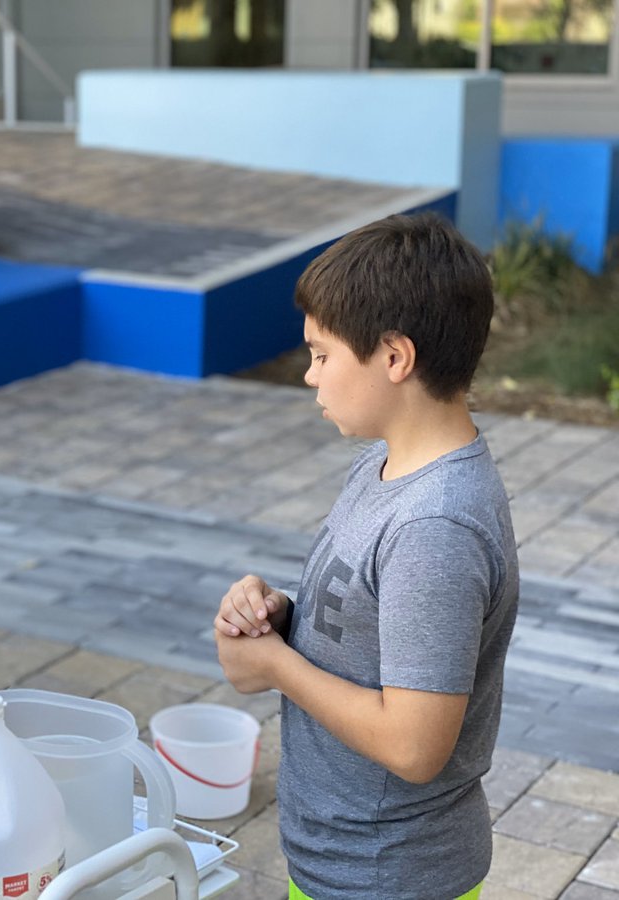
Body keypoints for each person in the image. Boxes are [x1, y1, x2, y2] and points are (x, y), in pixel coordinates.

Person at [213, 212, 519, 900]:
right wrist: (275, 615)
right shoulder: (381, 467)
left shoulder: (435, 525)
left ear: (394, 357)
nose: (308, 376)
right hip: (338, 865)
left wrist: (277, 667)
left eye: (322, 355)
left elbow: (415, 747)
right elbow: (367, 620)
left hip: (390, 877)